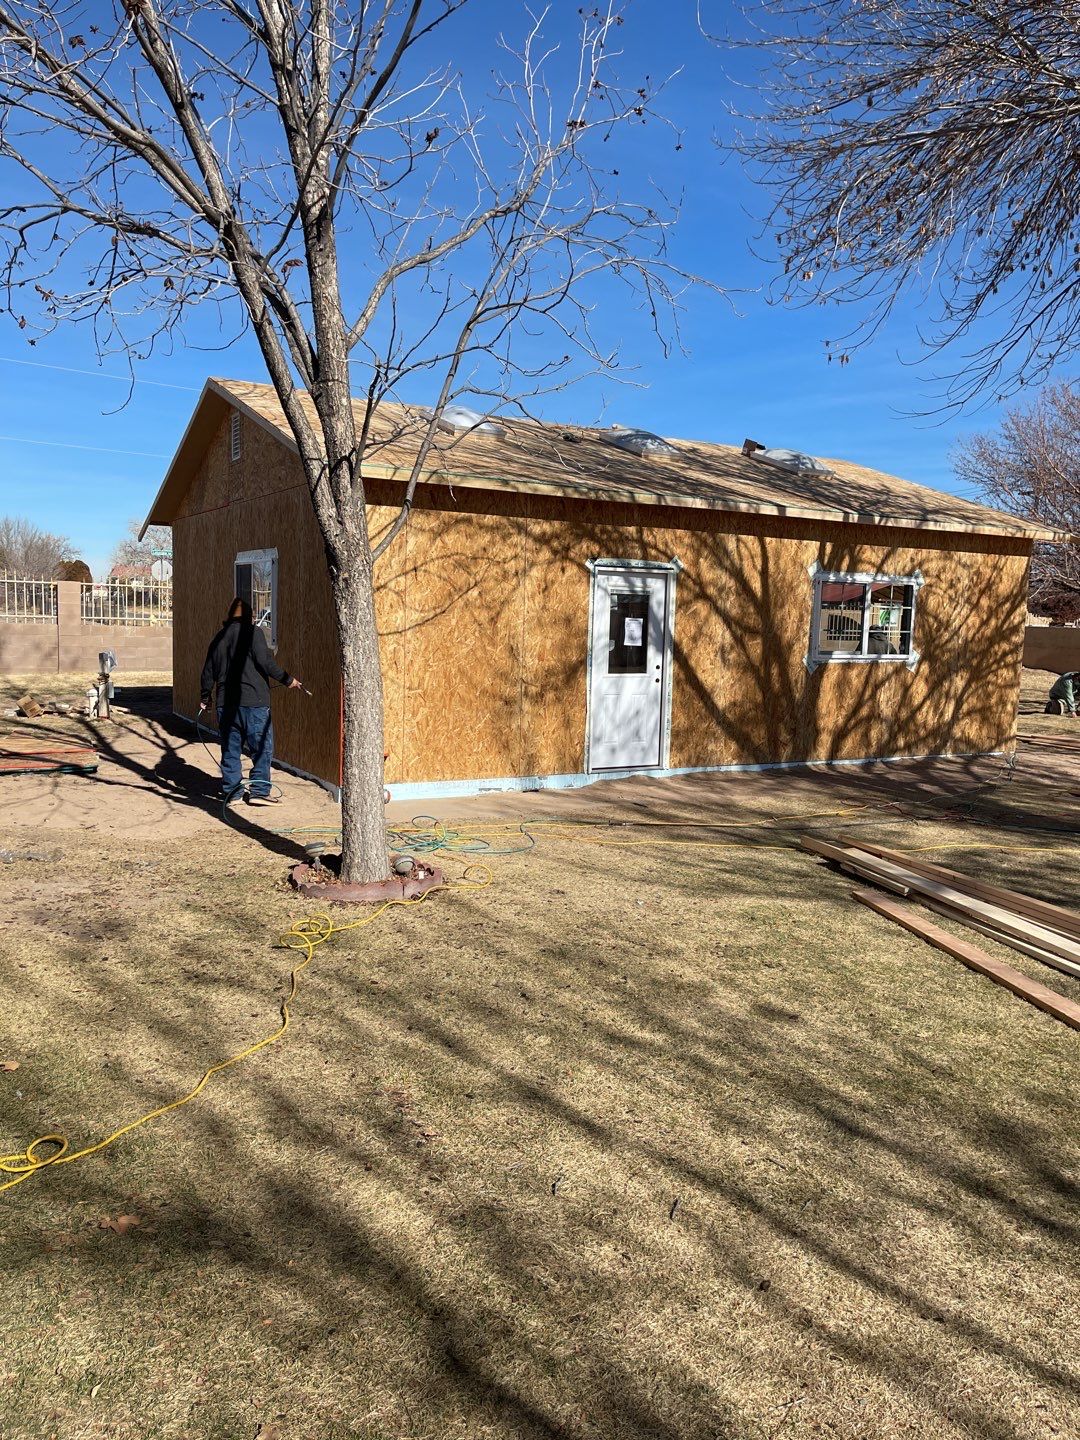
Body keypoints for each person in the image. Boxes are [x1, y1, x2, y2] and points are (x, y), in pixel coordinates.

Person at [199, 598, 302, 804]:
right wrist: (288, 679)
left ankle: (233, 793)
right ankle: (259, 792)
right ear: (250, 617)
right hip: (254, 702)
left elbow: (208, 671)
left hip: (226, 705)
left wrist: (205, 697)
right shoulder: (253, 633)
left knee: (230, 749)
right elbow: (265, 662)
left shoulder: (219, 638)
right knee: (261, 748)